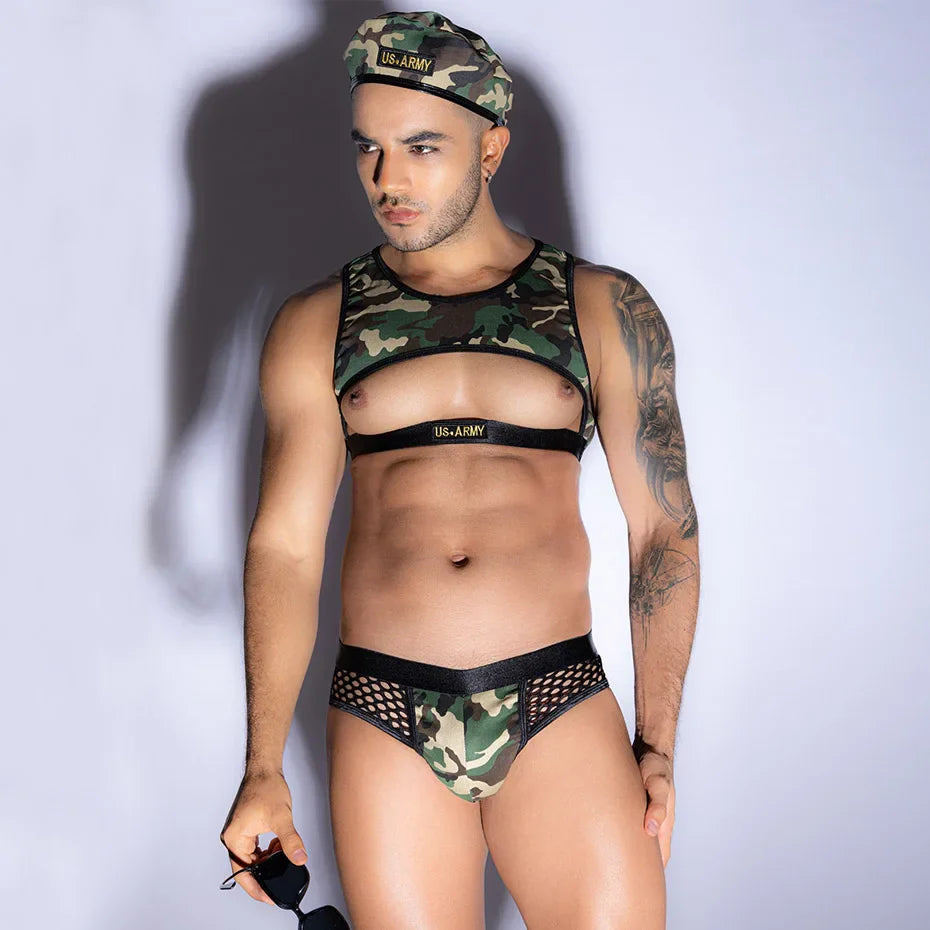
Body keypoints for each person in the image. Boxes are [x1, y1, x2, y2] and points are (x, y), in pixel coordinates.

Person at [220, 10, 699, 929]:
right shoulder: (319, 323)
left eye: (422, 146)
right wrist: (262, 766)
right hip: (383, 706)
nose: (387, 179)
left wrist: (660, 743)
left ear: (491, 149)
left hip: (557, 698)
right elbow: (284, 546)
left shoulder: (599, 306)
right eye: (368, 148)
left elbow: (663, 532)